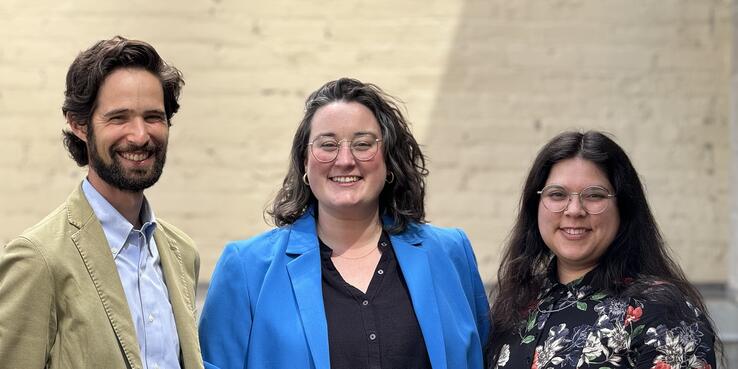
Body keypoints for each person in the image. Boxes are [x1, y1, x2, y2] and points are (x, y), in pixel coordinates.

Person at [199, 77, 490, 369]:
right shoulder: (247, 269)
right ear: (305, 162)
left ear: (388, 160)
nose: (345, 160)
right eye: (327, 145)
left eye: (363, 144)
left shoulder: (451, 254)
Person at [0, 36, 203, 369]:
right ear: (79, 125)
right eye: (119, 118)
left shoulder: (183, 253)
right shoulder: (37, 260)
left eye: (153, 117)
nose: (139, 135)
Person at [486, 131, 719, 369]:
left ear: (623, 208)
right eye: (557, 194)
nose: (574, 210)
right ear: (535, 206)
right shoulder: (518, 303)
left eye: (594, 195)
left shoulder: (663, 312)